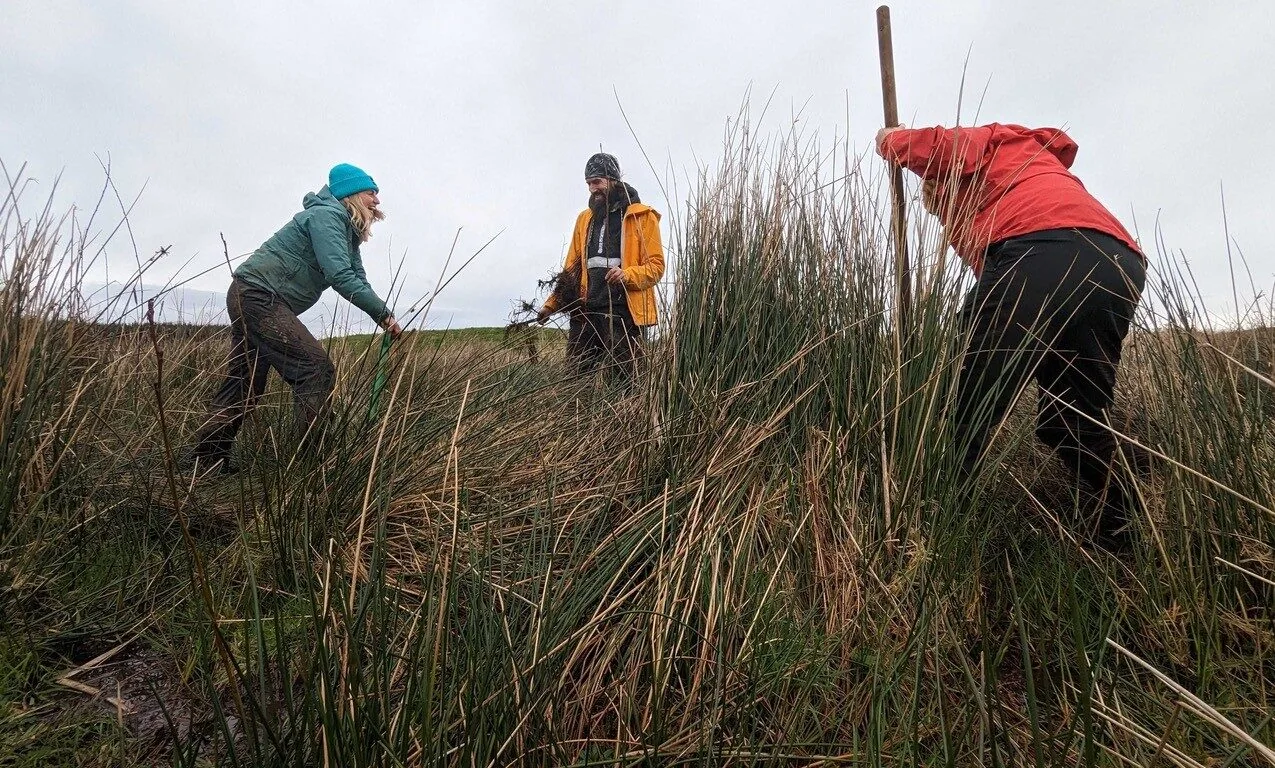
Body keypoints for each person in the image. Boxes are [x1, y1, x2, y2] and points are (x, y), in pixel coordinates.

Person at [876, 123, 1147, 551]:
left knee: (955, 399)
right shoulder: (1032, 174)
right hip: (1119, 263)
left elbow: (943, 146)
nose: (941, 211)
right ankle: (1125, 531)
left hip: (1042, 246)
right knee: (1071, 420)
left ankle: (930, 535)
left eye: (938, 199)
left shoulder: (999, 142)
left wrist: (891, 140)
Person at [188, 163, 402, 474]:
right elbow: (340, 275)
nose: (377, 200)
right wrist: (383, 314)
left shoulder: (344, 228)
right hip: (259, 296)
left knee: (244, 384)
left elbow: (356, 275)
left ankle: (205, 463)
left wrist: (383, 315)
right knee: (315, 369)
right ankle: (311, 467)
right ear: (352, 193)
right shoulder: (328, 216)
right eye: (372, 192)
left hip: (251, 295)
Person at [537, 152, 665, 378]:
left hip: (623, 315)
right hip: (585, 313)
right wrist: (551, 305)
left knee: (626, 382)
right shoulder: (584, 219)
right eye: (588, 183)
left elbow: (656, 267)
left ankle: (628, 414)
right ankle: (575, 414)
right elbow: (571, 270)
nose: (591, 189)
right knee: (575, 379)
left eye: (596, 182)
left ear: (613, 179)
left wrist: (627, 275)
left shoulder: (643, 217)